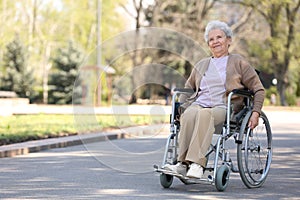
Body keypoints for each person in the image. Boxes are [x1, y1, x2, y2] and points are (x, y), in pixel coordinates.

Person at [163, 20, 265, 179]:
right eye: (211, 39)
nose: (215, 41)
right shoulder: (202, 64)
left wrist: (256, 113)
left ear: (229, 40)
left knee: (205, 114)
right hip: (199, 104)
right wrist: (181, 107)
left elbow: (258, 89)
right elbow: (188, 88)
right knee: (189, 114)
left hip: (224, 108)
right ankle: (182, 164)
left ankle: (197, 164)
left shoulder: (238, 62)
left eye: (219, 37)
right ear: (208, 44)